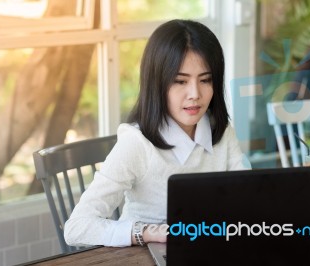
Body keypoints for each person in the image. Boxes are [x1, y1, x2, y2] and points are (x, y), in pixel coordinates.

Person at [64, 19, 251, 248]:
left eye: (205, 80)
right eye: (180, 81)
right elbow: (76, 228)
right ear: (157, 83)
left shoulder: (221, 133)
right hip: (144, 256)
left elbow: (246, 199)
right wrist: (146, 233)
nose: (194, 94)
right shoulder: (136, 144)